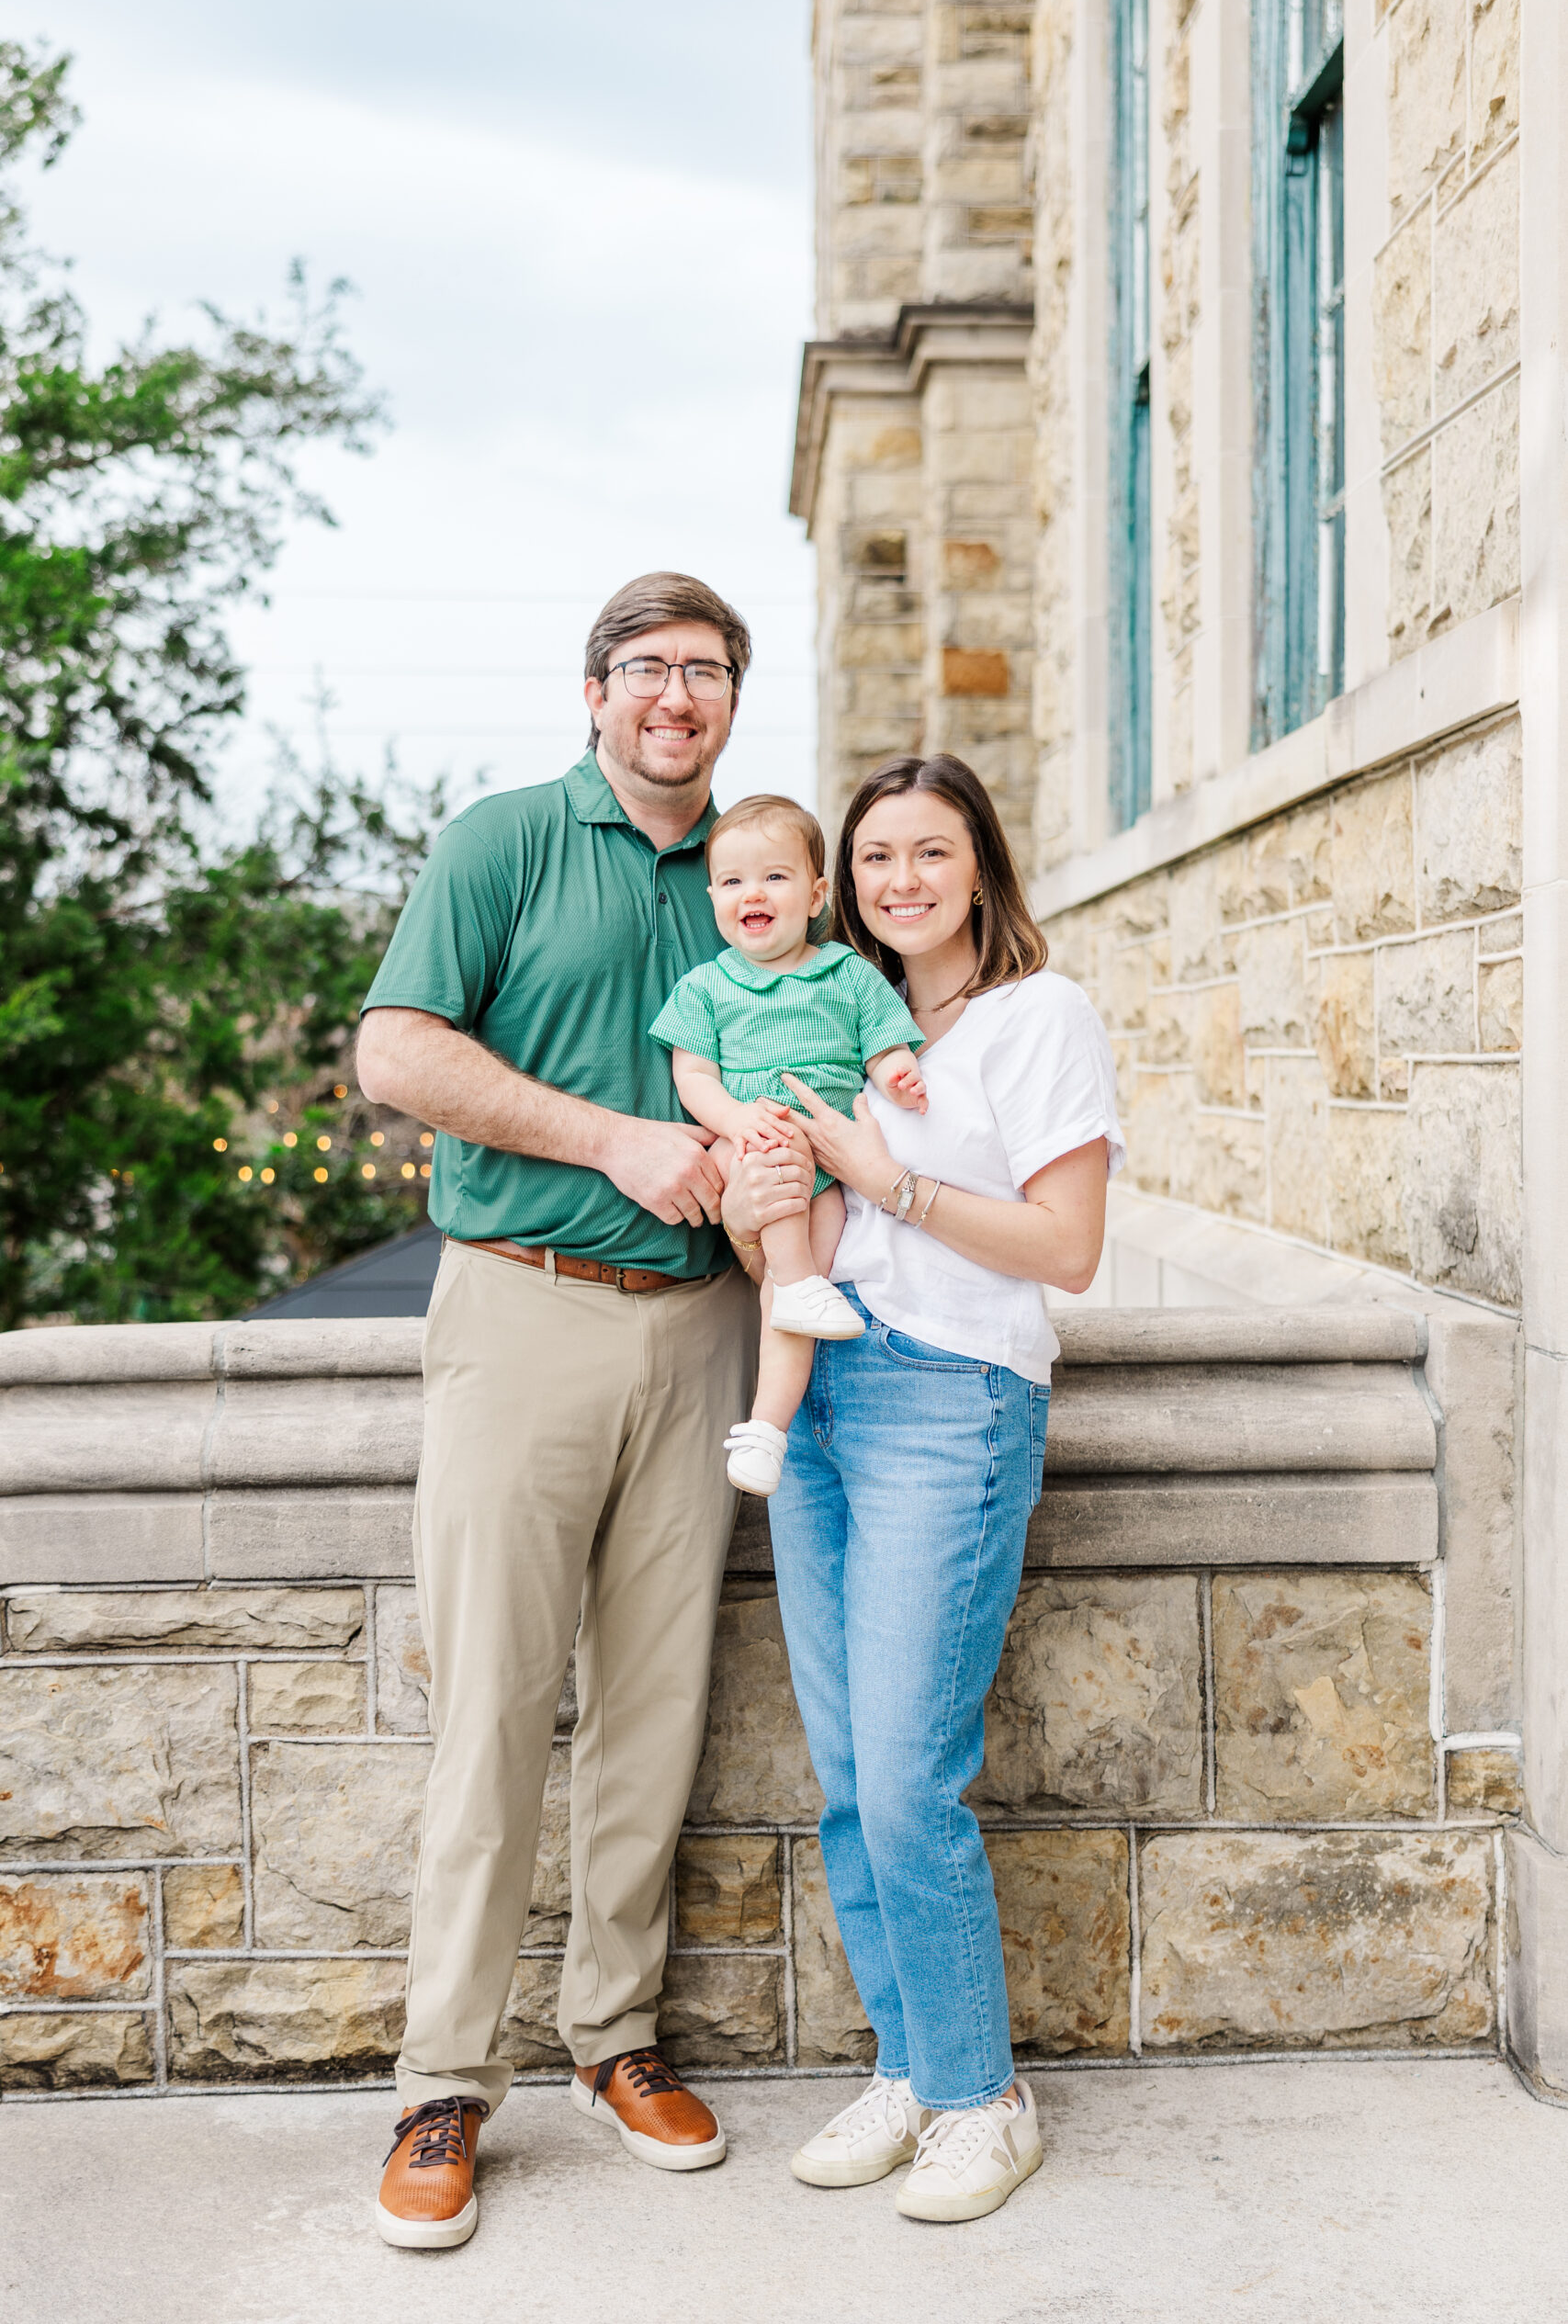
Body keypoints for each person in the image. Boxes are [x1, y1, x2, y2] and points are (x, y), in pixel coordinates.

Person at [355, 572, 814, 2251]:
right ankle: (440, 2082)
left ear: (731, 700)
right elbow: (396, 1052)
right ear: (596, 691)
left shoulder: (765, 871)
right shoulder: (503, 843)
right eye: (645, 669)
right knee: (490, 1710)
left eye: (703, 671)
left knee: (653, 1709)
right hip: (525, 1312)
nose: (672, 696)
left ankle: (614, 2040)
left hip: (706, 1331)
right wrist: (611, 1139)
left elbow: (830, 1057)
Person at [766, 752, 1124, 2226]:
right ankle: (908, 2067)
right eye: (871, 862)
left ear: (979, 863)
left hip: (952, 1401)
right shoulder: (840, 1017)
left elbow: (1066, 1249)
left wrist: (885, 1174)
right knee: (850, 1780)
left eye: (927, 852)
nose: (898, 882)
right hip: (818, 1402)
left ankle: (984, 2096)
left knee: (912, 1780)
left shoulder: (1038, 1018)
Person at [649, 793, 927, 1498]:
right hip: (747, 1149)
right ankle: (799, 1287)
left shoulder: (846, 974)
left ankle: (766, 1430)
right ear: (713, 896)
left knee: (787, 1296)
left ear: (815, 894)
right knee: (791, 1250)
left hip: (826, 1174)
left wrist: (896, 1072)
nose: (753, 893)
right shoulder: (707, 986)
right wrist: (739, 1121)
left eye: (774, 876)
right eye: (733, 880)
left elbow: (883, 1045)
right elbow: (693, 1078)